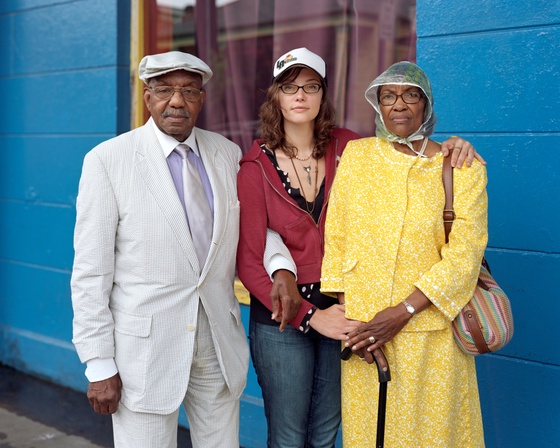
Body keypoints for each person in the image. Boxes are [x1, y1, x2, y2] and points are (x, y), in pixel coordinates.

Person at [236, 48, 482, 448]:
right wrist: (310, 314)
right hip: (290, 310)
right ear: (275, 96)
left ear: (322, 95)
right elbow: (249, 258)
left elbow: (408, 150)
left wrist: (455, 145)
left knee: (327, 429)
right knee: (289, 433)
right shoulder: (255, 167)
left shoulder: (349, 148)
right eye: (289, 87)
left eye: (311, 86)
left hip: (346, 309)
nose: (300, 95)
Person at [70, 51, 294, 448]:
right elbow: (91, 272)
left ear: (202, 99)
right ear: (147, 97)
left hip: (217, 343)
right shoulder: (108, 161)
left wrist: (281, 268)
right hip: (144, 352)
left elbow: (254, 228)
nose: (177, 101)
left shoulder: (226, 154)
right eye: (164, 90)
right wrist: (98, 363)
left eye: (188, 91)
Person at [320, 61, 487, 447]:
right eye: (388, 96)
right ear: (377, 105)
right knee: (369, 435)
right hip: (366, 337)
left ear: (426, 105)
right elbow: (338, 234)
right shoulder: (357, 157)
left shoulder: (460, 166)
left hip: (431, 333)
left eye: (411, 95)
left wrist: (401, 313)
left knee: (431, 435)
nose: (399, 105)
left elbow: (465, 255)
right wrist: (355, 322)